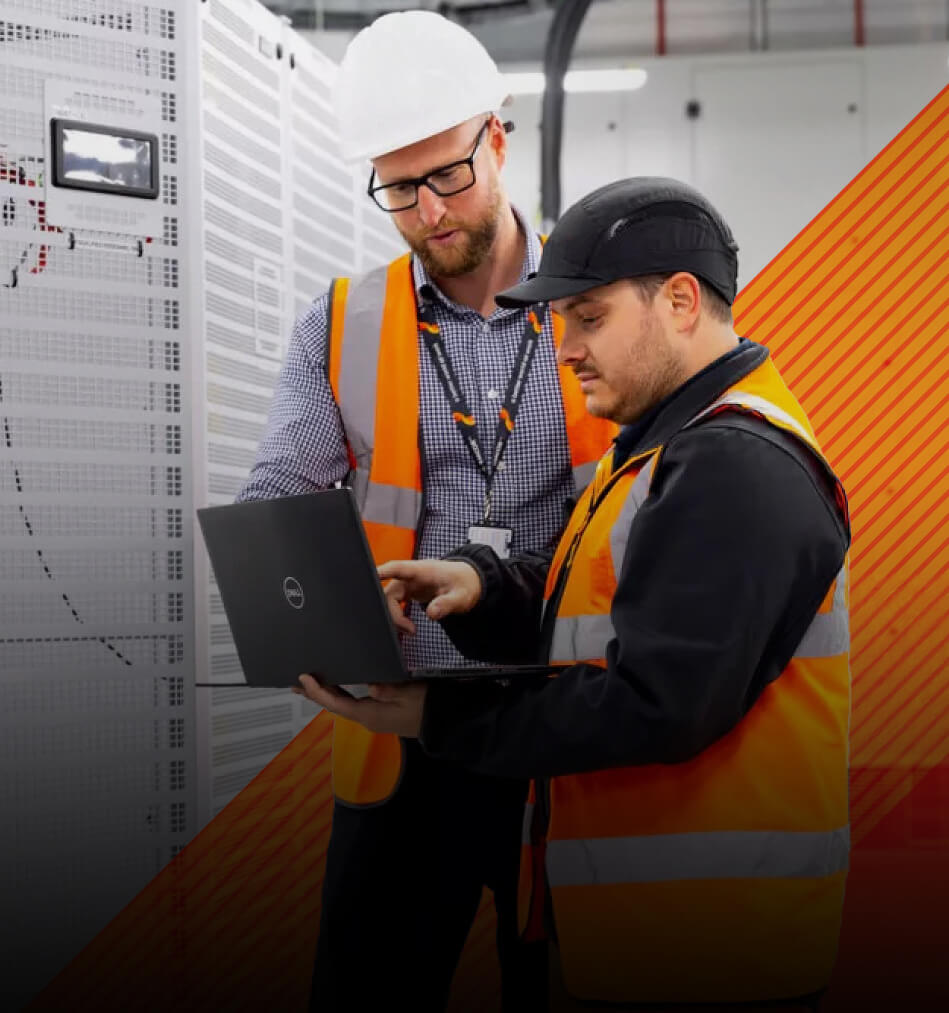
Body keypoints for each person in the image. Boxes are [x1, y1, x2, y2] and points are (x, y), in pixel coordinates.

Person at [297, 177, 852, 1012]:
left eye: (588, 318)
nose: (565, 347)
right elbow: (596, 613)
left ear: (677, 301)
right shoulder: (668, 447)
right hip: (660, 935)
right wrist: (479, 586)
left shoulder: (732, 465)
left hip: (714, 951)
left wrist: (434, 718)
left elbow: (655, 702)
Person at [237, 10, 615, 1012]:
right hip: (402, 733)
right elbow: (276, 488)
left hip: (560, 723)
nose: (428, 211)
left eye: (446, 175)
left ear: (495, 139)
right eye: (397, 189)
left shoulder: (598, 304)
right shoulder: (342, 319)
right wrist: (316, 595)